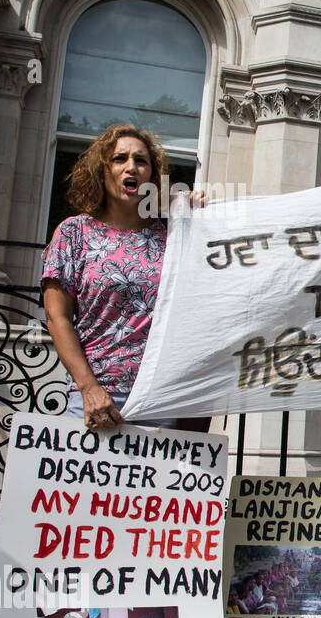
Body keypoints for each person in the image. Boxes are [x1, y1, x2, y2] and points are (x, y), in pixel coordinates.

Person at [41, 125, 207, 432]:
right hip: (96, 395)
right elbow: (57, 317)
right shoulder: (74, 232)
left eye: (141, 160)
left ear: (152, 175)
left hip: (161, 395)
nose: (131, 166)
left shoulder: (174, 233)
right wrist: (88, 388)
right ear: (102, 169)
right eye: (120, 158)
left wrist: (190, 207)